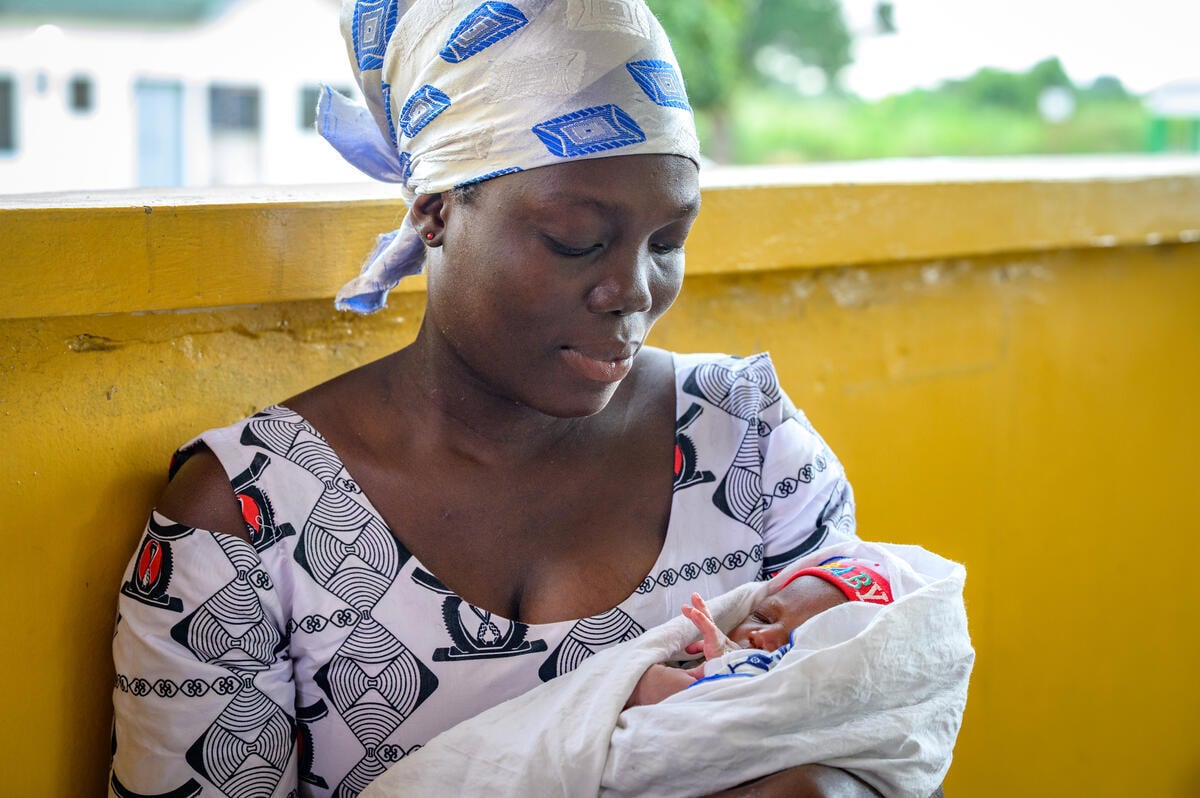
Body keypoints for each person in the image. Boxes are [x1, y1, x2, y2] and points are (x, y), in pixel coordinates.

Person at [109, 2, 908, 797]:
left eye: (668, 243)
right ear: (436, 212)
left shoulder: (746, 439)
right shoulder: (249, 519)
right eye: (576, 241)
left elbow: (881, 725)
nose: (632, 291)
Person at [626, 554, 896, 708]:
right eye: (762, 617)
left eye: (795, 641)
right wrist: (719, 663)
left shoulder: (805, 700)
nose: (763, 636)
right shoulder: (720, 661)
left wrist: (676, 688)